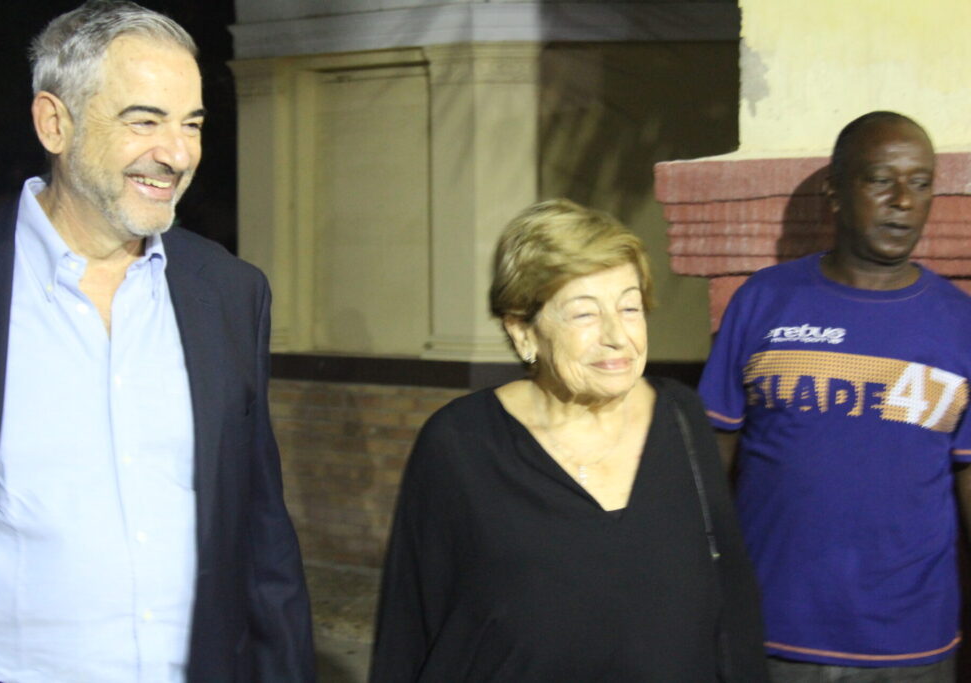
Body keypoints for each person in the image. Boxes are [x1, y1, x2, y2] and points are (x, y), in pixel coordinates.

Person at [0, 2, 314, 681]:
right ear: (55, 123)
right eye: (144, 120)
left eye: (191, 124)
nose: (176, 154)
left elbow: (261, 532)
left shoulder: (229, 293)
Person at [370, 199, 769, 681]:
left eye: (629, 307)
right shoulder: (460, 443)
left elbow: (733, 601)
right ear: (523, 331)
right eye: (584, 314)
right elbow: (409, 624)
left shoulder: (680, 418)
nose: (616, 336)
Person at [699, 111, 971, 681]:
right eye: (882, 180)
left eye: (921, 183)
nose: (903, 201)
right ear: (835, 191)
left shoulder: (958, 323)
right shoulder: (764, 300)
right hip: (772, 633)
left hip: (910, 645)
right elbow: (710, 459)